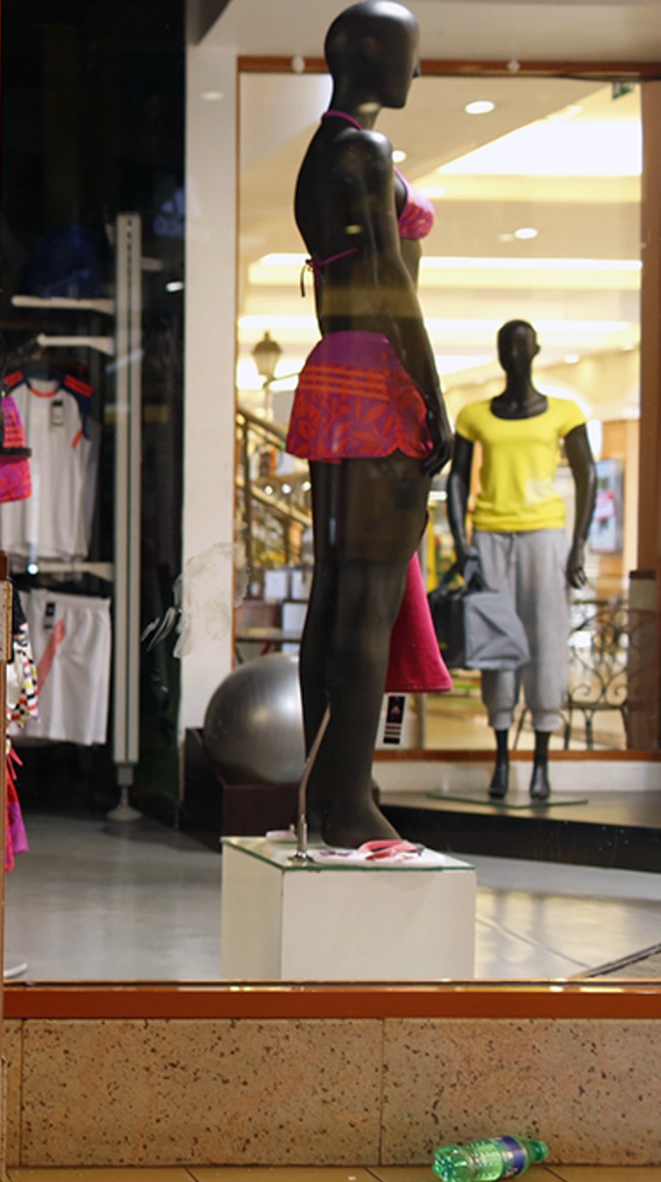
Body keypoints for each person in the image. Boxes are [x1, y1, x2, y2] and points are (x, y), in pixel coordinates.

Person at [285, 0, 453, 849]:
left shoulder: (325, 148)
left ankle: (329, 791)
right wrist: (435, 395)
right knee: (369, 603)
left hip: (331, 375)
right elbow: (390, 283)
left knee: (337, 596)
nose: (418, 72)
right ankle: (347, 802)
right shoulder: (363, 149)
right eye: (412, 55)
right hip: (376, 380)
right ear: (374, 55)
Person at [447, 319, 596, 800]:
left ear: (536, 351)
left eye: (522, 345)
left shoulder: (565, 413)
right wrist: (460, 541)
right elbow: (457, 478)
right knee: (497, 646)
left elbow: (588, 474)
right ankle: (503, 757)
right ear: (498, 353)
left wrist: (577, 544)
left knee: (547, 640)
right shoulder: (474, 415)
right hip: (489, 535)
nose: (514, 353)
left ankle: (542, 761)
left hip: (544, 536)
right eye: (506, 346)